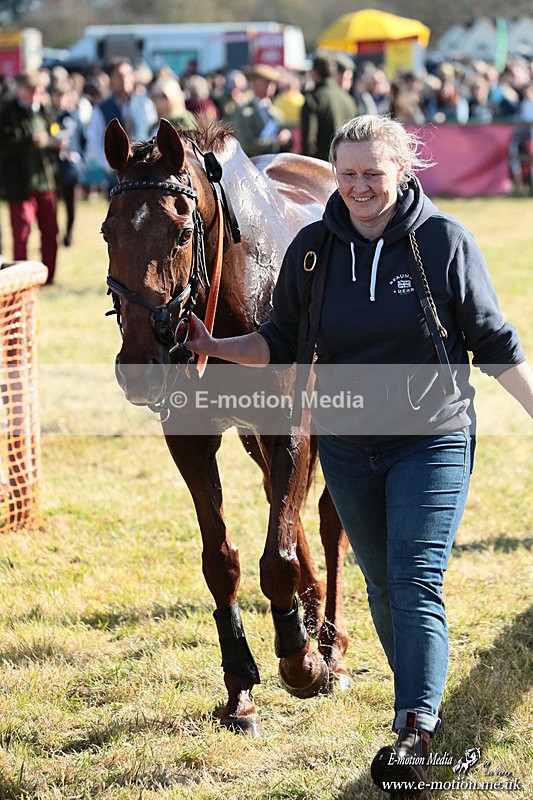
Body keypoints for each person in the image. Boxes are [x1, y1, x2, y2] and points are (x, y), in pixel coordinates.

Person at [182, 114, 533, 790]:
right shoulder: (313, 248)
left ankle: (414, 729)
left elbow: (494, 343)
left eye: (373, 174)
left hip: (429, 439)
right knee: (379, 585)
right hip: (345, 447)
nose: (359, 187)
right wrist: (216, 346)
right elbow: (279, 338)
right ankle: (419, 704)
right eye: (347, 175)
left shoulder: (442, 241)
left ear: (403, 170)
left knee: (413, 580)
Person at [0, 71, 62, 284]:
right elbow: (4, 147)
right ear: (20, 89)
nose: (36, 94)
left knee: (51, 232)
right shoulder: (7, 112)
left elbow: (53, 132)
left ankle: (48, 277)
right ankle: (20, 280)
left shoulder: (44, 111)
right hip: (20, 185)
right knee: (22, 233)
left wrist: (56, 142)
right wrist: (28, 141)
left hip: (46, 182)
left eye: (39, 90)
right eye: (31, 90)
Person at [84, 57, 136, 193]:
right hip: (117, 174)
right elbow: (94, 141)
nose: (124, 79)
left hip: (143, 168)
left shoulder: (143, 103)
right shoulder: (101, 109)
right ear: (110, 80)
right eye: (119, 76)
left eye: (128, 75)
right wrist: (111, 165)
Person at [300, 55, 358, 161]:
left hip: (322, 165)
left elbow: (309, 140)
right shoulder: (348, 99)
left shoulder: (313, 98)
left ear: (314, 73)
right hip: (346, 165)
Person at [231, 64, 292, 156]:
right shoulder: (243, 113)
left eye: (272, 82)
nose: (270, 86)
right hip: (254, 165)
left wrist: (288, 138)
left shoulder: (277, 113)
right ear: (254, 83)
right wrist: (276, 141)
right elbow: (246, 145)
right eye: (265, 81)